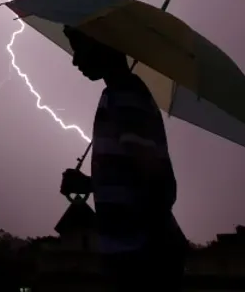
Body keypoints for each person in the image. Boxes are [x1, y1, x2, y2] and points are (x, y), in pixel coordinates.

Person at [59, 26, 188, 292]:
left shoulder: (128, 96)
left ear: (104, 45)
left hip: (142, 262)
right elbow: (131, 175)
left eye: (79, 48)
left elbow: (157, 182)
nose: (74, 60)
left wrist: (145, 254)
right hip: (127, 258)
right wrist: (90, 184)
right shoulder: (113, 96)